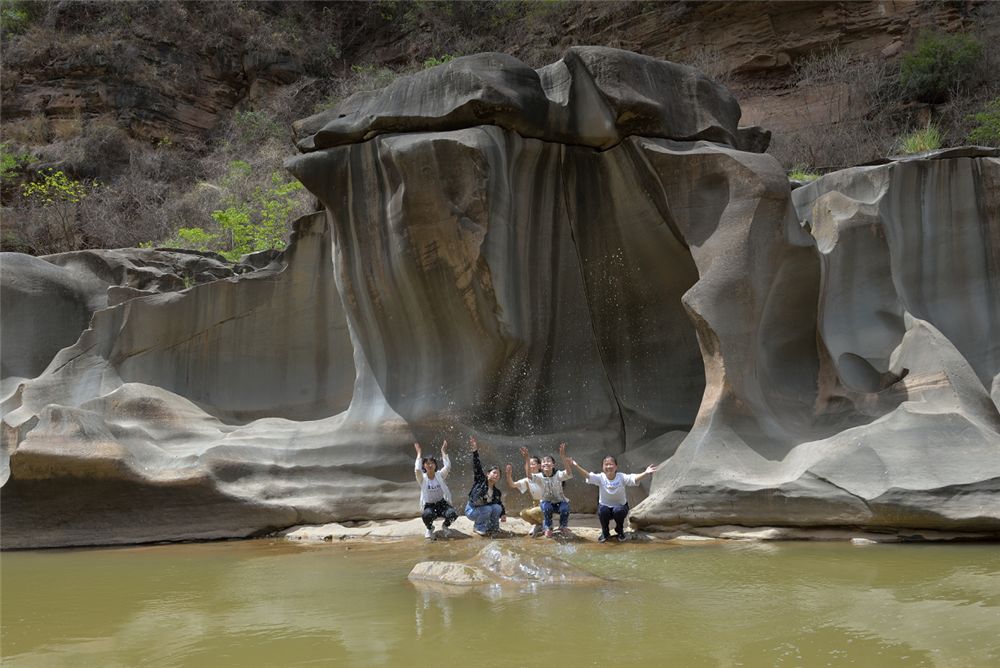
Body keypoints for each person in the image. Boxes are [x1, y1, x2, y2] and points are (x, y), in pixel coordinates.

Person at [570, 455, 658, 543]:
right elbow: (588, 476)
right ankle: (605, 532)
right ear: (603, 467)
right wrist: (576, 466)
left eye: (611, 464)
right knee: (603, 510)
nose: (608, 467)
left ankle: (619, 530)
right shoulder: (601, 477)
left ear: (616, 466)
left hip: (620, 508)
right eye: (606, 464)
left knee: (618, 510)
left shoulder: (621, 477)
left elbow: (634, 478)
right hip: (605, 508)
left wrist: (646, 472)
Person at [414, 440, 457, 540]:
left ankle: (445, 526)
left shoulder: (440, 475)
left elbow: (448, 466)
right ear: (424, 466)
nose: (429, 465)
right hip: (429, 505)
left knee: (452, 514)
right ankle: (430, 528)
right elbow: (417, 470)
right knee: (426, 515)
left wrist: (443, 451)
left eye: (432, 463)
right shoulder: (422, 478)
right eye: (427, 463)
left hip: (441, 503)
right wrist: (419, 453)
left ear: (435, 465)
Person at [530, 442, 574, 538]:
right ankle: (548, 527)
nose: (546, 463)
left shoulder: (558, 474)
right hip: (547, 503)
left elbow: (569, 473)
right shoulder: (539, 476)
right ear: (541, 466)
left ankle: (563, 526)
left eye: (549, 461)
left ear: (553, 465)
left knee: (565, 508)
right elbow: (529, 476)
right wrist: (526, 459)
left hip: (560, 502)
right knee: (546, 507)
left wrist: (562, 456)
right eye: (544, 462)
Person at [465, 436, 506, 536]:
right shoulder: (480, 481)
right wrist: (475, 451)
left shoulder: (496, 492)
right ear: (488, 474)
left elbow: (499, 503)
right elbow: (477, 466)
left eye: (498, 474)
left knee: (496, 508)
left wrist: (503, 514)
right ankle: (478, 527)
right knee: (488, 509)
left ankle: (494, 527)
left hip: (483, 509)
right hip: (471, 510)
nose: (496, 475)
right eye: (494, 473)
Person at [504, 447, 544, 537]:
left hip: (546, 504)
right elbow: (513, 485)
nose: (530, 466)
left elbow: (529, 475)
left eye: (533, 464)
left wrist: (527, 458)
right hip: (536, 505)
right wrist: (508, 475)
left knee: (534, 512)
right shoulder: (527, 479)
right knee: (523, 513)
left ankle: (548, 524)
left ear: (539, 466)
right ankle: (538, 525)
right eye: (528, 464)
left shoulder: (543, 476)